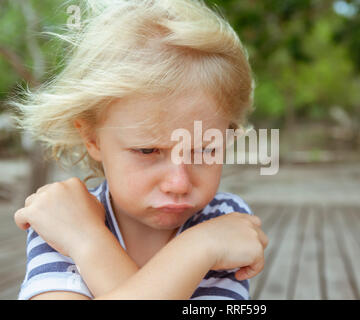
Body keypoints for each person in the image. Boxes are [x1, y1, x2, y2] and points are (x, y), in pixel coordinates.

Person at [9, 0, 268, 300]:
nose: (178, 183)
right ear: (92, 138)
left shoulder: (223, 221)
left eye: (203, 151)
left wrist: (85, 242)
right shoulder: (61, 217)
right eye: (147, 150)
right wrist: (200, 249)